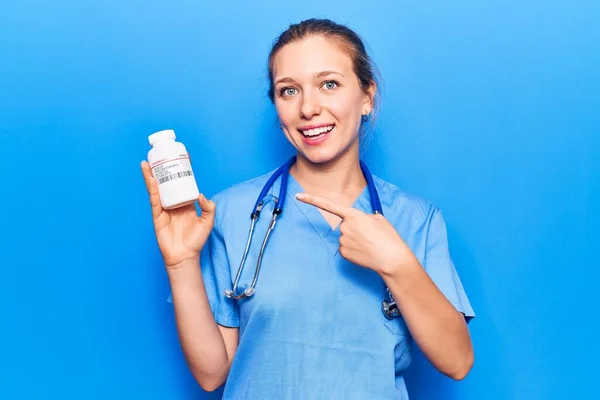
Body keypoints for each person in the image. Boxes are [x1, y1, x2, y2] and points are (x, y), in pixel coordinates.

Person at [141, 18, 475, 400]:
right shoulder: (231, 213)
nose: (308, 108)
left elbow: (457, 361)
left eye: (329, 84)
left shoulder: (416, 220)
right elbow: (212, 374)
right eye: (288, 91)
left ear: (367, 97)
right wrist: (181, 263)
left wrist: (396, 262)